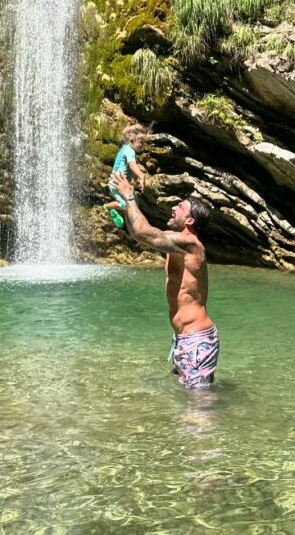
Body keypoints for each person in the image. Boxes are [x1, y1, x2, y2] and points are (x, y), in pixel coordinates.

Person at [107, 171, 219, 391]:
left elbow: (143, 232)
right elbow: (139, 234)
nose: (173, 208)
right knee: (186, 402)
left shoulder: (190, 244)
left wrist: (130, 197)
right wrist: (127, 207)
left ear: (189, 220)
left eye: (180, 207)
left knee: (199, 411)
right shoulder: (177, 242)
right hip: (185, 338)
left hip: (195, 339)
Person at [109, 124, 148, 205]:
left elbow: (130, 168)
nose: (143, 146)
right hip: (117, 183)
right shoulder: (129, 150)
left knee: (133, 203)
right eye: (141, 142)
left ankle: (119, 213)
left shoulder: (125, 148)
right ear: (132, 140)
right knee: (128, 205)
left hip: (116, 183)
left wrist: (134, 181)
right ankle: (107, 207)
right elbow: (132, 165)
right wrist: (141, 176)